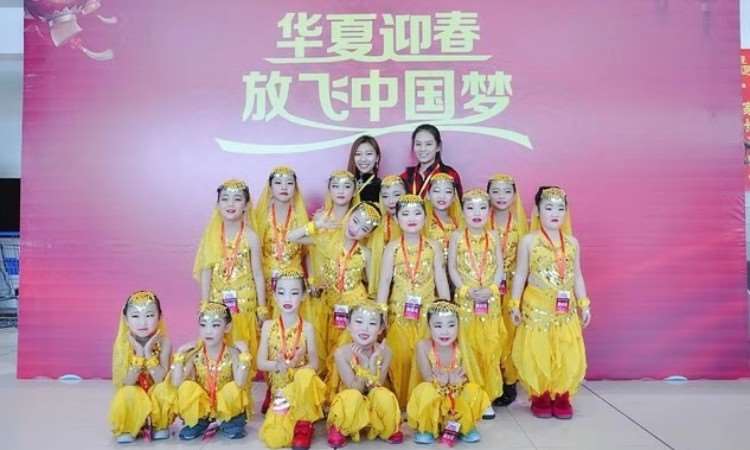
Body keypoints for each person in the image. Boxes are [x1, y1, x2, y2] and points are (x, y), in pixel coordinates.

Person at [510, 187, 591, 419]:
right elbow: (521, 274)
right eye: (548, 208)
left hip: (565, 310)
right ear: (537, 211)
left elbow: (577, 275)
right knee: (538, 350)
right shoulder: (529, 241)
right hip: (537, 307)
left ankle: (562, 393)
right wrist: (514, 304)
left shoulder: (572, 243)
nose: (555, 213)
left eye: (560, 208)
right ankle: (541, 394)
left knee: (566, 349)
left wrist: (584, 304)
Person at [407, 299, 489, 445]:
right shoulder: (423, 346)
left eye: (451, 325)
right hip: (435, 391)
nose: (445, 331)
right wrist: (443, 382)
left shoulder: (462, 346)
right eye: (438, 326)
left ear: (458, 326)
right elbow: (427, 377)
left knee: (474, 390)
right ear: (429, 327)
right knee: (424, 390)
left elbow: (466, 376)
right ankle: (427, 428)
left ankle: (465, 426)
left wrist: (455, 382)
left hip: (457, 392)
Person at [109, 290, 175, 444]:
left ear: (160, 317)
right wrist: (139, 354)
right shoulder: (123, 345)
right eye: (135, 316)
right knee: (128, 391)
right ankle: (130, 425)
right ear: (126, 320)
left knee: (162, 388)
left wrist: (148, 353)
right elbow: (127, 382)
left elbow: (160, 379)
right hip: (135, 400)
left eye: (149, 315)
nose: (142, 323)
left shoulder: (164, 343)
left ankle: (159, 424)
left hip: (155, 400)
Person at [400, 124, 463, 199]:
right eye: (418, 144)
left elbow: (457, 204)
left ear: (438, 147)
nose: (423, 149)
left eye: (428, 144)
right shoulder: (406, 176)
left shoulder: (450, 174)